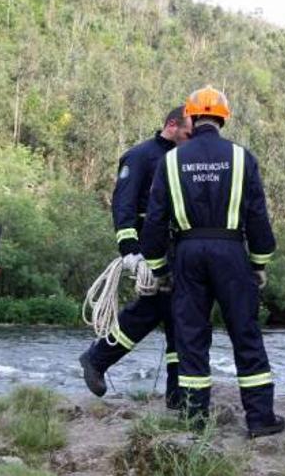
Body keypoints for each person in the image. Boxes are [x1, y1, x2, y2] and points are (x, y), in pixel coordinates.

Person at [140, 86, 285, 437]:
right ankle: (260, 419)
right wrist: (259, 262)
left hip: (188, 253)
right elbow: (257, 215)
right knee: (245, 333)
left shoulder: (171, 161)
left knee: (191, 336)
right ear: (223, 117)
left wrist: (158, 268)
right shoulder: (241, 157)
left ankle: (195, 419)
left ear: (191, 117)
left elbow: (156, 219)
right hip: (231, 252)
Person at [79, 106, 193, 409]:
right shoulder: (140, 156)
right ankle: (100, 359)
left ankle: (175, 393)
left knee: (171, 316)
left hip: (177, 251)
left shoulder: (185, 159)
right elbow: (123, 205)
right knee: (165, 314)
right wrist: (130, 252)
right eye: (187, 133)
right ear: (171, 125)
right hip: (150, 250)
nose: (190, 139)